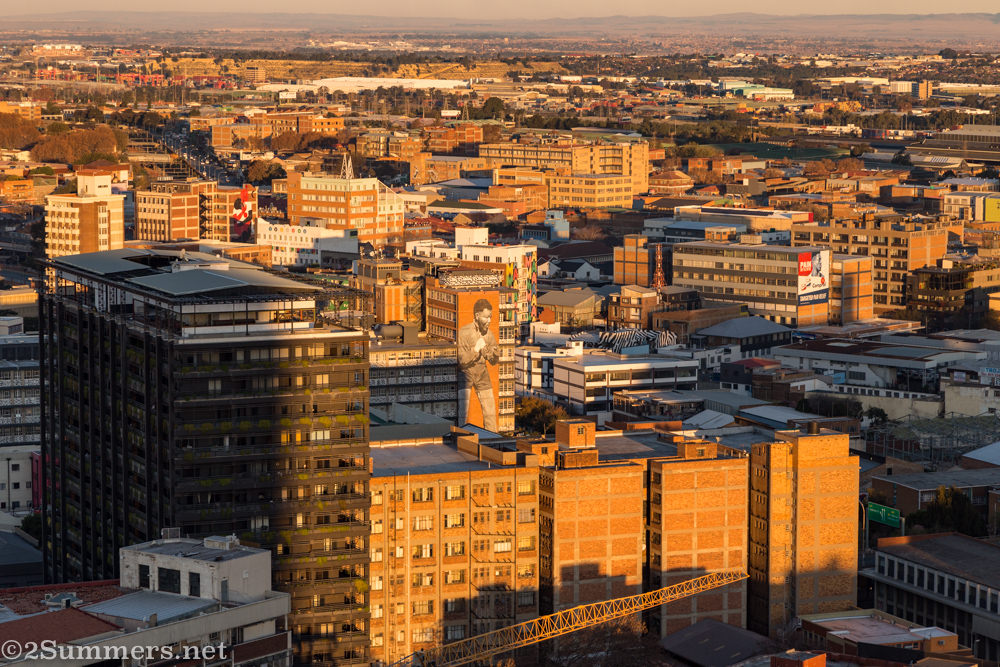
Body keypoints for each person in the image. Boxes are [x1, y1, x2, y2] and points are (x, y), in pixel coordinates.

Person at [457, 298, 499, 432]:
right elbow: (461, 359)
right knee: (463, 411)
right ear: (477, 316)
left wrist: (493, 354)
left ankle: (492, 440)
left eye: (490, 317)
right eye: (486, 317)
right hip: (465, 372)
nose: (489, 320)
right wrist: (475, 350)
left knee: (490, 411)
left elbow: (494, 361)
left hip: (482, 371)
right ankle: (460, 438)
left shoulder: (489, 334)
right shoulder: (464, 332)